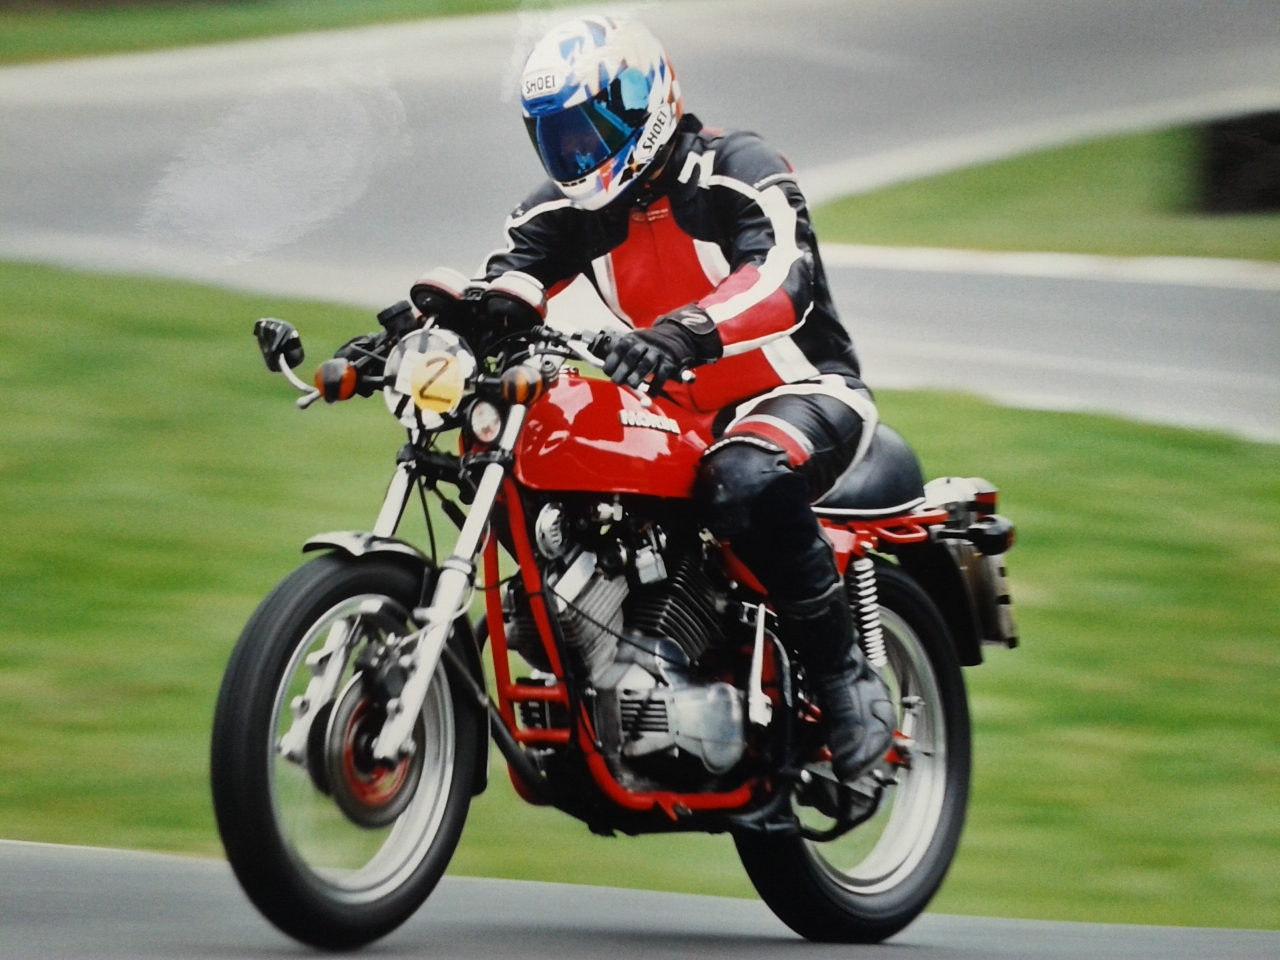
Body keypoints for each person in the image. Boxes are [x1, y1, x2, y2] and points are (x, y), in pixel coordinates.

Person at [410, 15, 894, 783]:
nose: (575, 153)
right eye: (558, 136)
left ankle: (846, 682)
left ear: (644, 102)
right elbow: (508, 279)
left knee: (745, 477)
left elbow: (782, 278)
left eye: (590, 128)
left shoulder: (738, 168)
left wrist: (682, 334)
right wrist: (425, 332)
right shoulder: (572, 207)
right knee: (549, 470)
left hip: (800, 390)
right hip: (679, 412)